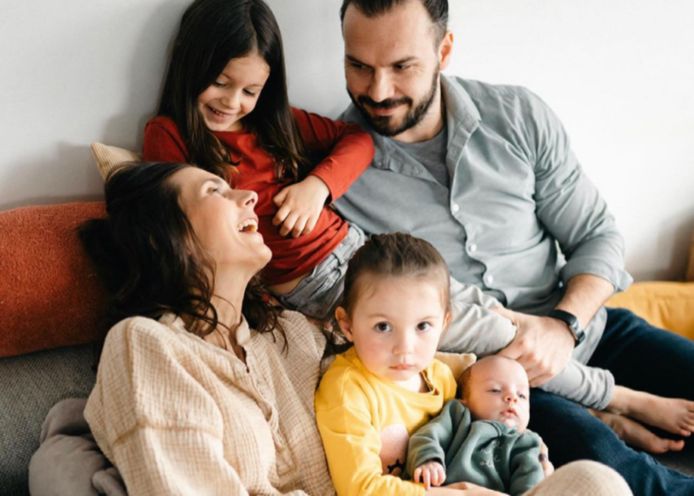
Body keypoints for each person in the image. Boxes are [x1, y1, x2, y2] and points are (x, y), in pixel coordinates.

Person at [327, 1, 694, 495]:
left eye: (402, 66)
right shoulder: (332, 173)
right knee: (620, 472)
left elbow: (597, 236)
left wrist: (565, 325)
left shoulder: (518, 116)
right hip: (493, 382)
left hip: (589, 329)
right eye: (359, 66)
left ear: (444, 50)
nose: (378, 90)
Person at [315, 232, 631, 496]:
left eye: (423, 326)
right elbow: (361, 489)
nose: (405, 349)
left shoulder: (442, 375)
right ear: (347, 325)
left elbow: (490, 435)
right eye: (383, 326)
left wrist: (536, 461)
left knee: (598, 482)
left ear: (444, 323)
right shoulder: (349, 390)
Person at [142, 0, 373, 320]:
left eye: (250, 92)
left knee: (445, 289)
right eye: (221, 83)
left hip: (355, 242)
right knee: (449, 318)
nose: (232, 102)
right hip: (316, 282)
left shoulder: (274, 121)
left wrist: (317, 187)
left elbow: (360, 140)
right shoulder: (168, 135)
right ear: (190, 64)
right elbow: (177, 232)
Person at [407, 355, 544, 495]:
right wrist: (429, 460)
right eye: (495, 390)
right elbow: (428, 435)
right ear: (464, 400)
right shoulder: (457, 416)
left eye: (521, 395)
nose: (512, 398)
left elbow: (531, 479)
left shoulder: (525, 442)